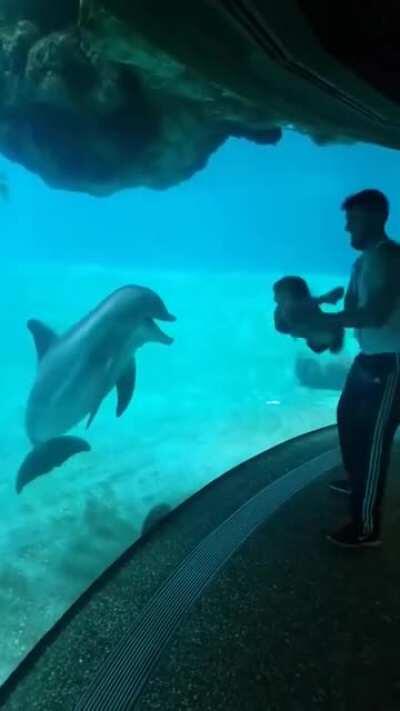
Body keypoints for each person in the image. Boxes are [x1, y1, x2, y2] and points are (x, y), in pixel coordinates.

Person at [299, 189, 400, 548]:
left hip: (392, 363)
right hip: (369, 358)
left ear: (373, 219)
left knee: (373, 441)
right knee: (347, 417)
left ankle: (366, 526)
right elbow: (356, 312)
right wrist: (319, 323)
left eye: (352, 220)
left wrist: (326, 317)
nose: (346, 228)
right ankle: (358, 479)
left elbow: (375, 315)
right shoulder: (364, 261)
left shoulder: (389, 257)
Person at [273, 276, 344, 353]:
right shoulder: (282, 313)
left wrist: (323, 299)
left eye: (280, 296)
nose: (275, 299)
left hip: (312, 326)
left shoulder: (304, 307)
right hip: (309, 327)